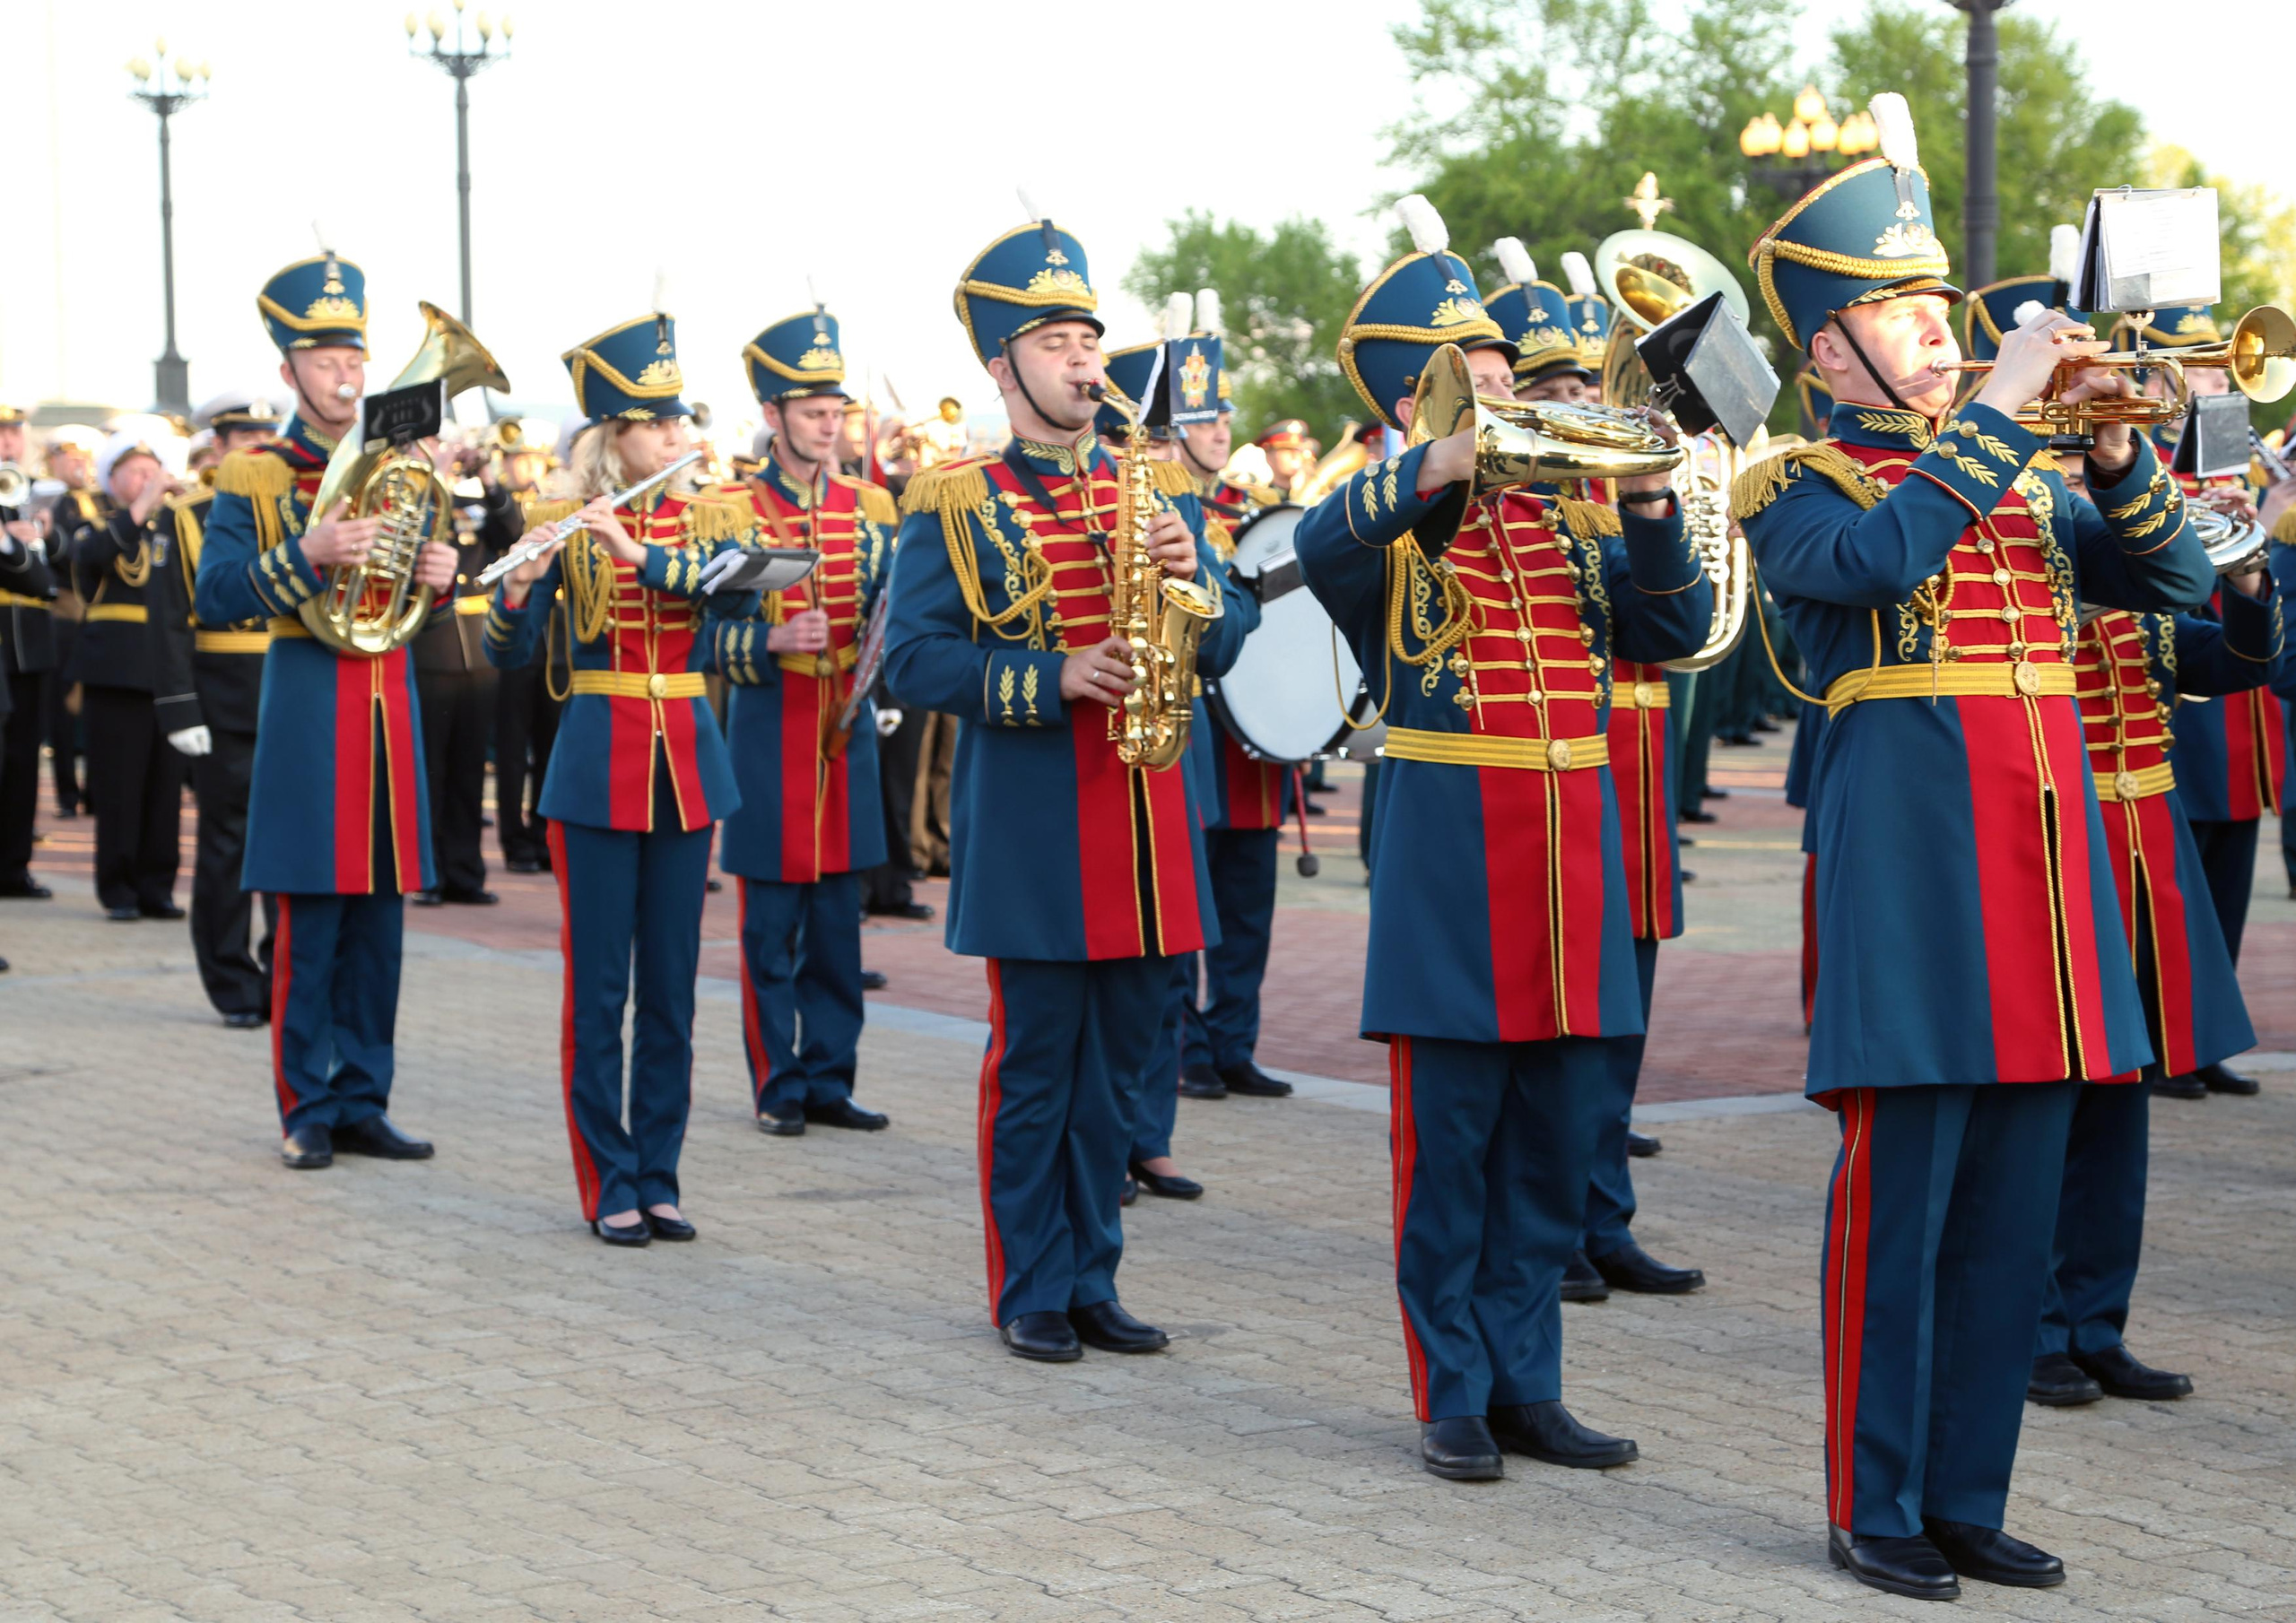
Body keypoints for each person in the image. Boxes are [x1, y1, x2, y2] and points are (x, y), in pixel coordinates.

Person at [1733, 99, 2214, 1600]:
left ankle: (1964, 1494)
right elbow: (1877, 567)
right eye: (1896, 316)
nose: (1939, 338)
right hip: (1915, 884)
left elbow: (2185, 578)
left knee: (2010, 1214)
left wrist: (2125, 448)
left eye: (1941, 312)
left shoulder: (2020, 480)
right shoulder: (1805, 487)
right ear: (1827, 352)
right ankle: (1870, 1506)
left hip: (2048, 893)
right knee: (1902, 1213)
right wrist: (2002, 415)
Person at [1295, 196, 1709, 1484]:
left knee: (1551, 1134)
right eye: (1474, 383)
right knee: (1453, 1141)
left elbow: (1672, 629)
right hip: (1455, 856)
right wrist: (1436, 462)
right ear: (1417, 405)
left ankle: (1532, 1380)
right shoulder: (1390, 521)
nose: (1506, 397)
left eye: (1504, 380)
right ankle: (1452, 1386)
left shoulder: (1569, 525)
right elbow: (1321, 546)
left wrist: (1645, 502)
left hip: (1574, 849)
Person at [883, 215, 1252, 1362]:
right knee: (1038, 1064)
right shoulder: (953, 499)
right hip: (1040, 822)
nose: (1084, 361)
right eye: (1054, 342)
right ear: (1001, 366)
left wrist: (1204, 591)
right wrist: (1055, 675)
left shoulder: (1158, 485)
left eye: (1089, 339)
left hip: (1150, 819)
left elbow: (1233, 639)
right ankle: (1030, 1285)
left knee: (1126, 1068)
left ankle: (1095, 1273)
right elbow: (914, 660)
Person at [485, 307, 759, 1246]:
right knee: (600, 989)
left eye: (681, 421)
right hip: (597, 764)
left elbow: (732, 613)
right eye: (660, 423)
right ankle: (608, 1179)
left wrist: (643, 555)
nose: (681, 436)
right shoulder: (558, 522)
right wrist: (520, 588)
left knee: (673, 990)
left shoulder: (711, 519)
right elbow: (511, 654)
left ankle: (661, 1172)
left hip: (685, 759)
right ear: (616, 438)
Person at [197, 249, 453, 1171]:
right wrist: (307, 552)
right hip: (310, 701)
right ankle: (305, 1104)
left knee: (379, 922)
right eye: (324, 359)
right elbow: (217, 591)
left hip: (389, 703)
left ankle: (362, 1098)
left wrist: (439, 572)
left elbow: (414, 584)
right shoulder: (260, 474)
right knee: (310, 918)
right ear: (288, 371)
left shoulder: (398, 460)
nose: (346, 373)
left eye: (354, 356)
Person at [1488, 238, 1701, 1300]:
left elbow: (1680, 628)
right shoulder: (1520, 511)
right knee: (1561, 1020)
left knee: (1622, 1017)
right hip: (1561, 772)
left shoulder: (1607, 501)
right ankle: (1556, 1221)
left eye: (1585, 383)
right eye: (1555, 388)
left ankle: (1604, 1215)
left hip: (1637, 761)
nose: (1577, 402)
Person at [2030, 587, 2277, 1411]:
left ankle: (2097, 1328)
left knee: (2121, 1113)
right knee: (2046, 1113)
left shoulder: (2149, 615)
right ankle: (2035, 1331)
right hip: (2057, 854)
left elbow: (2250, 661)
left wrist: (2248, 589)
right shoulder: (2023, 607)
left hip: (2147, 861)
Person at [716, 306, 899, 1138]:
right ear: (773, 417)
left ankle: (831, 1077)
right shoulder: (730, 510)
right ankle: (776, 1084)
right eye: (814, 414)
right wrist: (775, 638)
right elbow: (704, 641)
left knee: (836, 928)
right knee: (769, 928)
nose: (831, 428)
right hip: (768, 730)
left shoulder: (871, 506)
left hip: (845, 732)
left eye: (837, 414)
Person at [2128, 304, 2283, 1098]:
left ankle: (2203, 1036)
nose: (2219, 378)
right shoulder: (2143, 460)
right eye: (2202, 365)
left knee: (2225, 882)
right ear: (2159, 374)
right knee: (2170, 886)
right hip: (2178, 704)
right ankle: (2156, 1043)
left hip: (2238, 706)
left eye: (2220, 367)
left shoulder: (2229, 464)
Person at [1165, 296, 1295, 1111]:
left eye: (1222, 421)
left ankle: (1234, 1041)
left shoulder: (1251, 520)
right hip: (1193, 734)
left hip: (1259, 745)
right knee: (1187, 911)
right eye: (1202, 420)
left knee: (1247, 911)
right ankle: (1186, 1048)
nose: (1219, 433)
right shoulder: (1174, 518)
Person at [148, 392, 283, 1025]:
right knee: (228, 847)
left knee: (291, 847)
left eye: (266, 434)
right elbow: (169, 622)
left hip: (291, 691)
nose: (257, 447)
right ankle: (232, 984)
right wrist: (181, 710)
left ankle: (285, 977)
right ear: (219, 447)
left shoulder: (300, 510)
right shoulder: (187, 515)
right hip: (223, 696)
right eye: (242, 437)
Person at [65, 429, 190, 922]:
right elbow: (91, 560)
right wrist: (141, 507)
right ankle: (117, 888)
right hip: (114, 670)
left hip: (168, 669)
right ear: (112, 479)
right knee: (119, 786)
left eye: (151, 470)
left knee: (165, 787)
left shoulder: (172, 525)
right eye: (135, 472)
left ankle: (157, 886)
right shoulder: (91, 522)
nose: (146, 479)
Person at [408, 437, 513, 908]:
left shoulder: (472, 501)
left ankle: (465, 872)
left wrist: (487, 476)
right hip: (432, 646)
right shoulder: (413, 499)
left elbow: (511, 534)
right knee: (430, 769)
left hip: (477, 649)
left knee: (469, 773)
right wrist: (438, 477)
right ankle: (427, 873)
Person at [0, 404, 59, 898]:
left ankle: (13, 867)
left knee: (23, 765)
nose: (7, 443)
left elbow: (46, 586)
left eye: (13, 432)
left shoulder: (29, 498)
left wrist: (22, 546)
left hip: (29, 649)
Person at [42, 424, 103, 820]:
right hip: (63, 612)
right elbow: (64, 556)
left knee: (100, 706)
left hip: (101, 614)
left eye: (84, 457)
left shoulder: (104, 500)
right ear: (53, 461)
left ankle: (96, 791)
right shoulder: (47, 501)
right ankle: (66, 793)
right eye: (69, 457)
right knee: (61, 709)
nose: (78, 464)